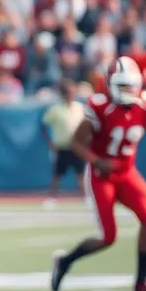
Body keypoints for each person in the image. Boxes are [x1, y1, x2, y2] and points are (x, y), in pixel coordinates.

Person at [51, 57, 146, 291]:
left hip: (127, 173)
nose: (128, 91)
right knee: (108, 237)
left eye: (131, 85)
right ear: (110, 84)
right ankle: (66, 261)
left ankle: (142, 282)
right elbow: (76, 143)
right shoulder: (99, 106)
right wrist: (97, 160)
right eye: (123, 86)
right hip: (101, 175)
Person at [40, 79, 87, 208]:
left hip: (78, 147)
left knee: (81, 174)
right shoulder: (55, 109)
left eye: (72, 92)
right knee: (57, 175)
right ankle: (51, 198)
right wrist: (50, 143)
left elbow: (88, 126)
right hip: (62, 147)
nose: (70, 95)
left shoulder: (80, 108)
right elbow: (44, 125)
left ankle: (85, 198)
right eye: (67, 92)